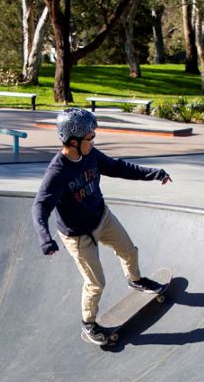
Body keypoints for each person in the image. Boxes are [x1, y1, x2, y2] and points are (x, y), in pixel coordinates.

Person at [32, 108, 172, 345]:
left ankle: (135, 280)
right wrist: (45, 238)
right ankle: (88, 324)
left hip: (102, 217)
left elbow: (119, 168)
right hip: (78, 236)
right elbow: (40, 207)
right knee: (96, 283)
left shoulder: (91, 155)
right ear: (73, 141)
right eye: (90, 138)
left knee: (129, 250)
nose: (93, 141)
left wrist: (154, 173)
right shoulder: (57, 173)